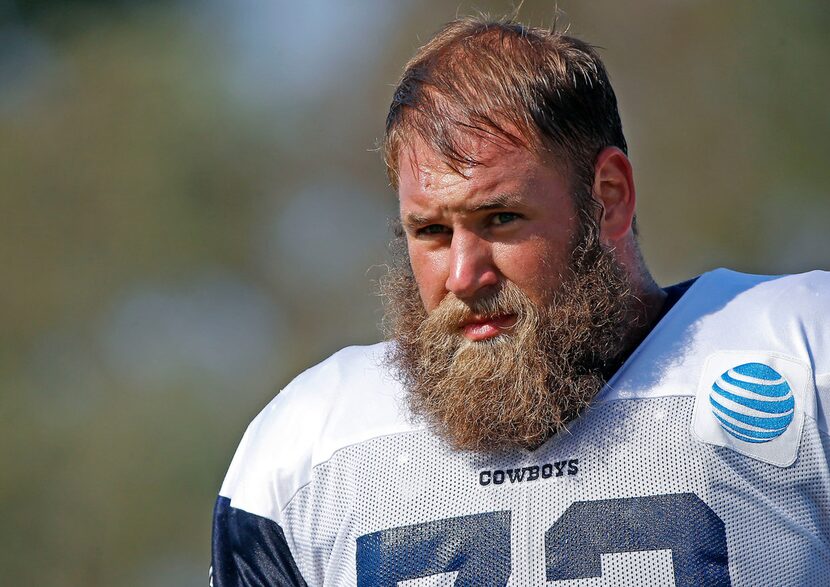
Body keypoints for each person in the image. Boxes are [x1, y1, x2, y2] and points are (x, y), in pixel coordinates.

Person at [210, 16, 830, 586]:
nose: (462, 274)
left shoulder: (804, 355)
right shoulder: (311, 449)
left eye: (501, 219)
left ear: (609, 198)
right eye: (429, 231)